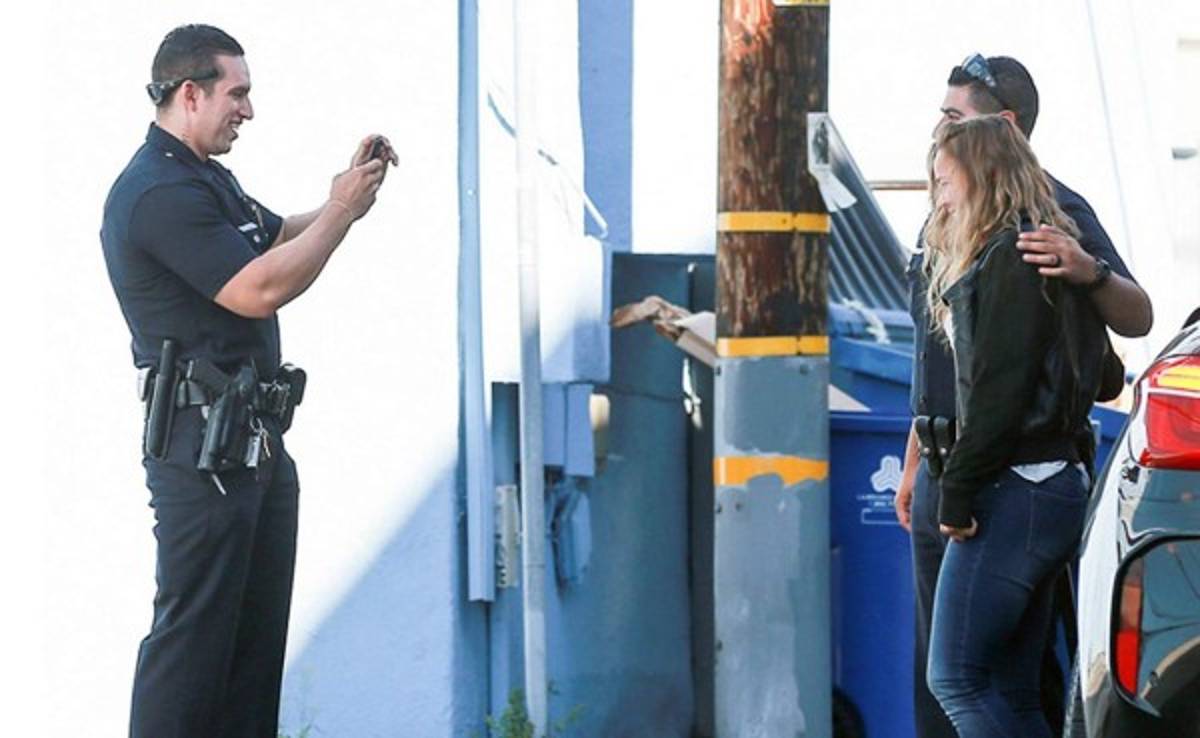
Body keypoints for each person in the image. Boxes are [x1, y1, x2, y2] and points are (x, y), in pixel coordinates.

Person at [100, 24, 396, 738]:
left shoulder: (205, 178)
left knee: (252, 654)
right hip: (202, 449)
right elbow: (257, 288)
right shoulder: (156, 192)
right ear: (190, 93)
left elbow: (277, 237)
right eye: (237, 94)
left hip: (250, 443)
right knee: (193, 649)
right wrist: (340, 213)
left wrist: (345, 199)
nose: (249, 111)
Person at [893, 54, 1153, 738]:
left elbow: (1121, 326)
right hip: (956, 465)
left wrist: (1089, 272)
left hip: (1004, 473)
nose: (939, 132)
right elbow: (941, 357)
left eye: (954, 119)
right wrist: (919, 459)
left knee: (965, 678)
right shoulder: (953, 217)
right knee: (974, 680)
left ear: (1001, 128)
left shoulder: (1042, 223)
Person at [922, 114, 1108, 737]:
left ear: (982, 177)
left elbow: (998, 395)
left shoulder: (1011, 256)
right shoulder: (1053, 249)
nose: (939, 199)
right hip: (1057, 483)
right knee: (1012, 688)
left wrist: (956, 492)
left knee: (955, 678)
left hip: (1015, 485)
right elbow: (1106, 374)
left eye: (946, 182)